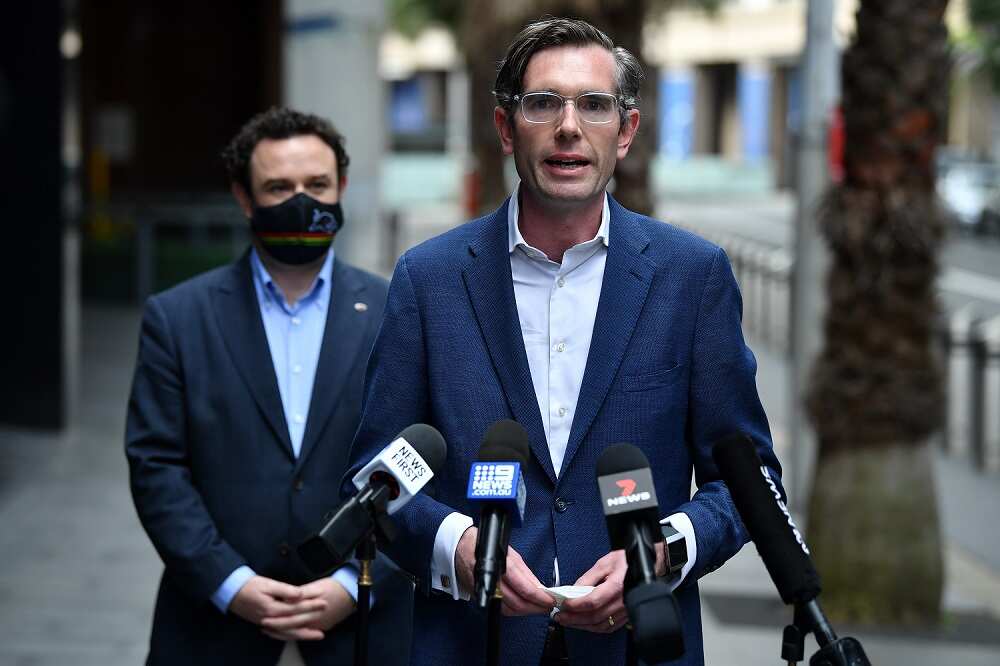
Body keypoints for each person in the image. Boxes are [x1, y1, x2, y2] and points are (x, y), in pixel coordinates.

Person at [345, 18, 782, 666]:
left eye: (595, 105)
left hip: (636, 645)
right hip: (473, 643)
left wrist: (661, 549)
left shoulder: (691, 278)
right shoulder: (429, 279)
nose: (569, 127)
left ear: (626, 131)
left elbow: (749, 480)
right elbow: (376, 472)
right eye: (543, 103)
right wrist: (455, 545)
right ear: (504, 127)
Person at [126, 107, 411, 665]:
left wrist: (355, 583)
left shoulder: (396, 310)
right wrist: (229, 583)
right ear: (243, 197)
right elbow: (156, 465)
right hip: (211, 624)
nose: (300, 201)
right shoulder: (177, 318)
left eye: (317, 185)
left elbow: (421, 462)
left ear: (342, 188)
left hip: (366, 627)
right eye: (278, 187)